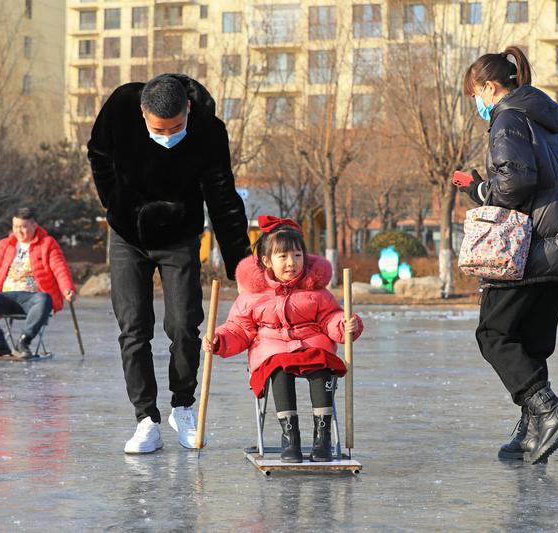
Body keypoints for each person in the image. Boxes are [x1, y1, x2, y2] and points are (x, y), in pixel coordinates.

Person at [87, 73, 250, 453]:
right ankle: (146, 419)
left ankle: (183, 406)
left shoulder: (208, 130)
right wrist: (117, 203)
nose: (169, 134)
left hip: (180, 236)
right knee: (133, 327)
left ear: (188, 109)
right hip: (128, 236)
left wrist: (241, 265)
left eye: (177, 126)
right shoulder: (120, 109)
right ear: (142, 113)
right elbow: (97, 153)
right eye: (160, 128)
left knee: (184, 324)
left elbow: (223, 197)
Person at [454, 46, 558, 464]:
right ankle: (533, 432)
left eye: (475, 95)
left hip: (529, 248)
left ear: (488, 87)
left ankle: (547, 411)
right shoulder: (547, 121)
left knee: (494, 334)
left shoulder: (508, 118)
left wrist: (478, 190)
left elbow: (514, 186)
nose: (476, 104)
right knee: (531, 343)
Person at [203, 216, 364, 463]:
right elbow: (239, 329)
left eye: (298, 256)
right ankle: (291, 438)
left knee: (323, 367)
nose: (292, 263)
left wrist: (344, 325)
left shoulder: (316, 292)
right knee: (279, 370)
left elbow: (330, 319)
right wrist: (219, 340)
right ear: (267, 261)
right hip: (271, 352)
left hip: (311, 346)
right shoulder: (252, 296)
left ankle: (322, 438)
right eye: (283, 257)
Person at [0, 208, 77, 360]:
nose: (18, 231)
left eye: (23, 227)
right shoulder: (4, 245)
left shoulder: (47, 244)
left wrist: (67, 289)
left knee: (45, 298)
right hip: (6, 297)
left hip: (33, 299)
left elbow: (60, 268)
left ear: (35, 226)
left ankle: (24, 341)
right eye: (15, 227)